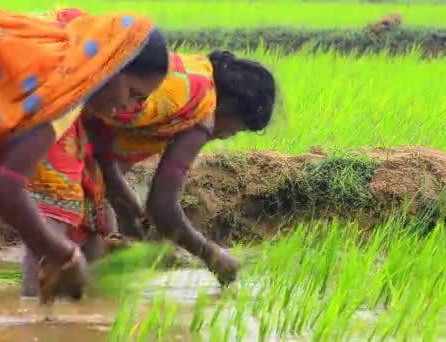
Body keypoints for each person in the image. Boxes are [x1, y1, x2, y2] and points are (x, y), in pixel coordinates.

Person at [0, 1, 169, 318]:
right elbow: (5, 188)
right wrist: (64, 253)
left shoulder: (61, 75)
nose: (130, 108)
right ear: (115, 63)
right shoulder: (61, 87)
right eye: (133, 93)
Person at [23, 8, 277, 291]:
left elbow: (104, 155)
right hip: (65, 90)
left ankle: (83, 314)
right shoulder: (203, 114)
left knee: (93, 226)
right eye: (237, 129)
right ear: (230, 108)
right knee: (55, 217)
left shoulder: (190, 74)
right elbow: (163, 207)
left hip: (72, 83)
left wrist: (128, 211)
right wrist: (212, 254)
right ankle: (32, 317)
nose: (227, 136)